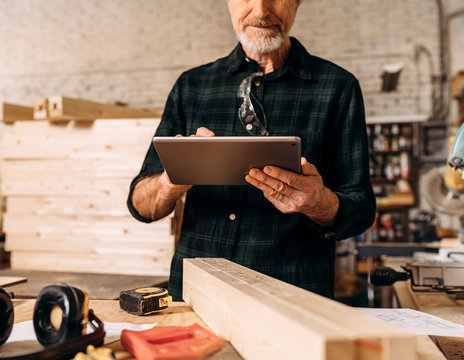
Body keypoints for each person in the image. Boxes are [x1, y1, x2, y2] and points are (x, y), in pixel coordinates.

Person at [127, 0, 376, 301]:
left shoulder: (339, 88)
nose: (261, 10)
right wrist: (172, 180)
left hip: (293, 300)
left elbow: (361, 211)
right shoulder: (191, 86)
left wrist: (318, 202)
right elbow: (140, 206)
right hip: (196, 297)